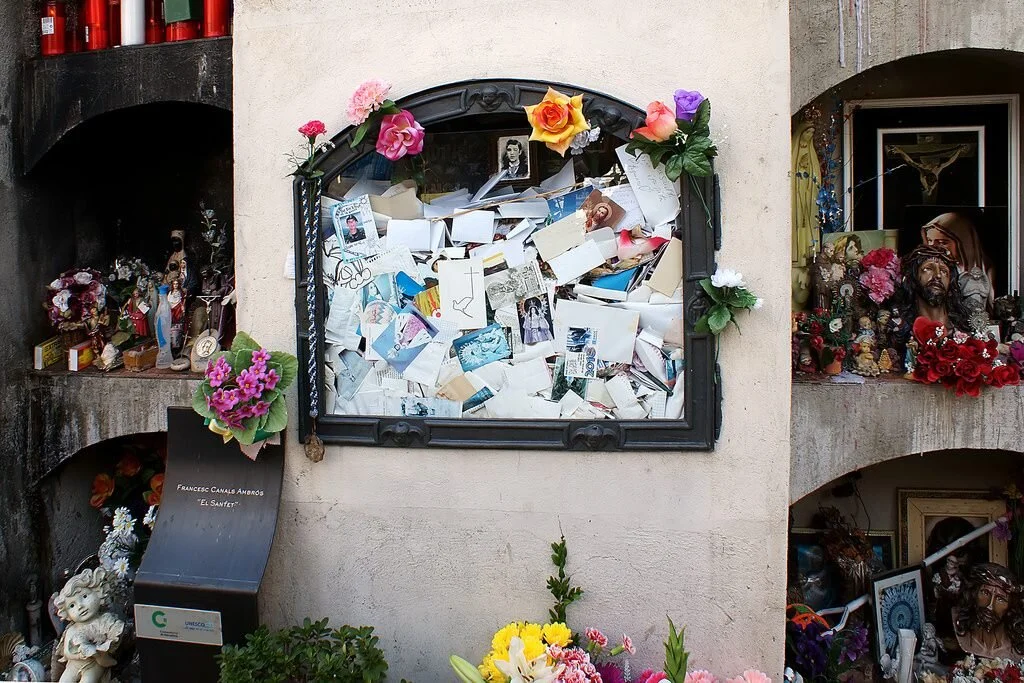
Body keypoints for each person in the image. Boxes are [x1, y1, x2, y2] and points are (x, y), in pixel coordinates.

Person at [51, 568, 125, 683]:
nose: (80, 606)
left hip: (96, 664)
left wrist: (98, 650)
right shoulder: (72, 629)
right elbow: (66, 652)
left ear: (97, 592)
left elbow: (115, 635)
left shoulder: (104, 620)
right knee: (64, 681)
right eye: (72, 606)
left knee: (88, 681)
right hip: (74, 664)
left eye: (85, 597)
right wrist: (81, 654)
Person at [921, 212, 995, 307]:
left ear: (963, 243)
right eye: (930, 241)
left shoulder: (985, 268)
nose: (933, 247)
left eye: (942, 242)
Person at [953, 563, 1024, 659]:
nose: (990, 606)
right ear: (974, 593)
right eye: (985, 593)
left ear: (1011, 607)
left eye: (1000, 599)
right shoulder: (955, 621)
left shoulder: (1018, 645)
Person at [895, 245, 969, 332]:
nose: (938, 275)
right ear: (913, 278)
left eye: (943, 271)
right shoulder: (899, 332)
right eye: (929, 268)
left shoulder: (965, 332)